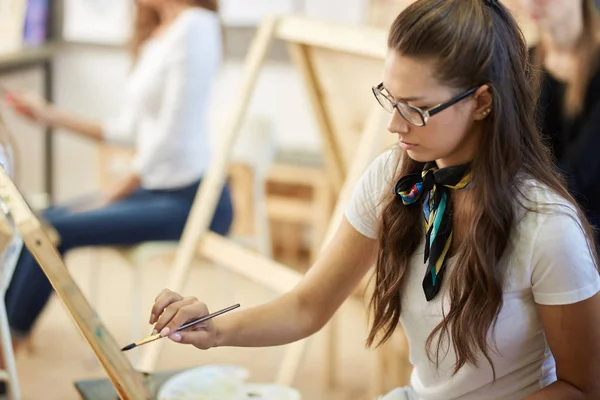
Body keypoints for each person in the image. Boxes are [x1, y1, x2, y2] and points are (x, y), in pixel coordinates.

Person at [147, 1, 600, 399]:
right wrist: (213, 329)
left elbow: (582, 388)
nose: (395, 126)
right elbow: (308, 305)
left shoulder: (547, 227)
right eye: (391, 98)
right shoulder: (393, 178)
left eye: (417, 108)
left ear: (482, 101)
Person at [2, 0, 233, 353]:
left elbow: (170, 136)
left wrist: (113, 191)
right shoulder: (160, 33)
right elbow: (127, 131)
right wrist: (49, 116)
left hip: (194, 199)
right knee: (37, 222)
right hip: (157, 190)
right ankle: (7, 334)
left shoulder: (196, 25)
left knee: (50, 232)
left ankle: (7, 352)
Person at [519, 0, 600, 247]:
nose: (530, 3)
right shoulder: (524, 62)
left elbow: (582, 168)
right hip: (539, 220)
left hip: (590, 228)